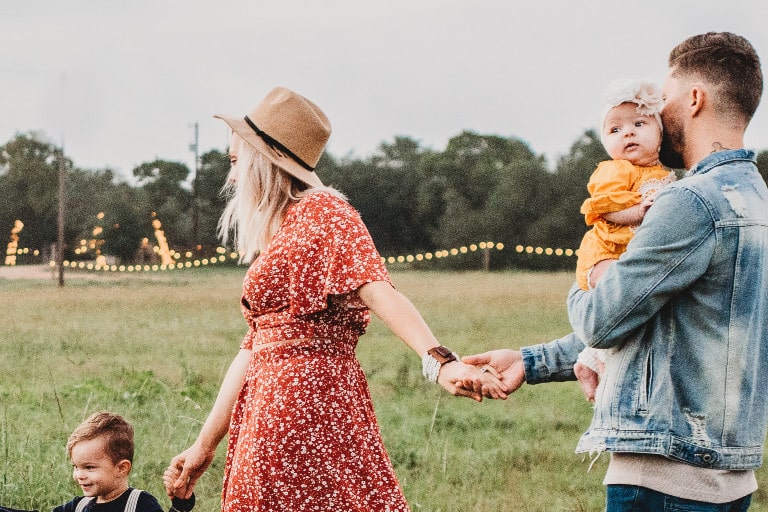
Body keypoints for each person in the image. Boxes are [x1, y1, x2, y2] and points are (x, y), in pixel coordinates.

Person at [462, 32, 766, 511]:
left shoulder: (689, 202)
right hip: (730, 477)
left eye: (663, 99)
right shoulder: (757, 202)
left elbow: (603, 319)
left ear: (693, 99)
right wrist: (532, 360)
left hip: (663, 474)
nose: (658, 113)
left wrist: (589, 270)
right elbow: (659, 322)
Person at [164, 86, 504, 512]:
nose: (231, 177)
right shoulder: (283, 230)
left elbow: (378, 291)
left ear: (263, 161)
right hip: (264, 414)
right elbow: (254, 347)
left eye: (236, 163)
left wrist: (439, 361)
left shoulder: (324, 211)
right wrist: (203, 447)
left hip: (315, 411)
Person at [574, 78, 676, 391]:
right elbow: (603, 208)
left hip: (631, 256)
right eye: (615, 130)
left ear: (660, 132)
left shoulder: (666, 175)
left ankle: (587, 361)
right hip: (605, 253)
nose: (627, 133)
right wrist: (637, 212)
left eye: (639, 123)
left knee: (635, 306)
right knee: (617, 297)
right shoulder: (614, 169)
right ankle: (600, 361)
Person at [0, 412, 195, 512]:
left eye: (89, 467)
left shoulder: (139, 504)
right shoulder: (78, 506)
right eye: (75, 467)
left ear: (122, 468)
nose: (79, 475)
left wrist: (180, 504)